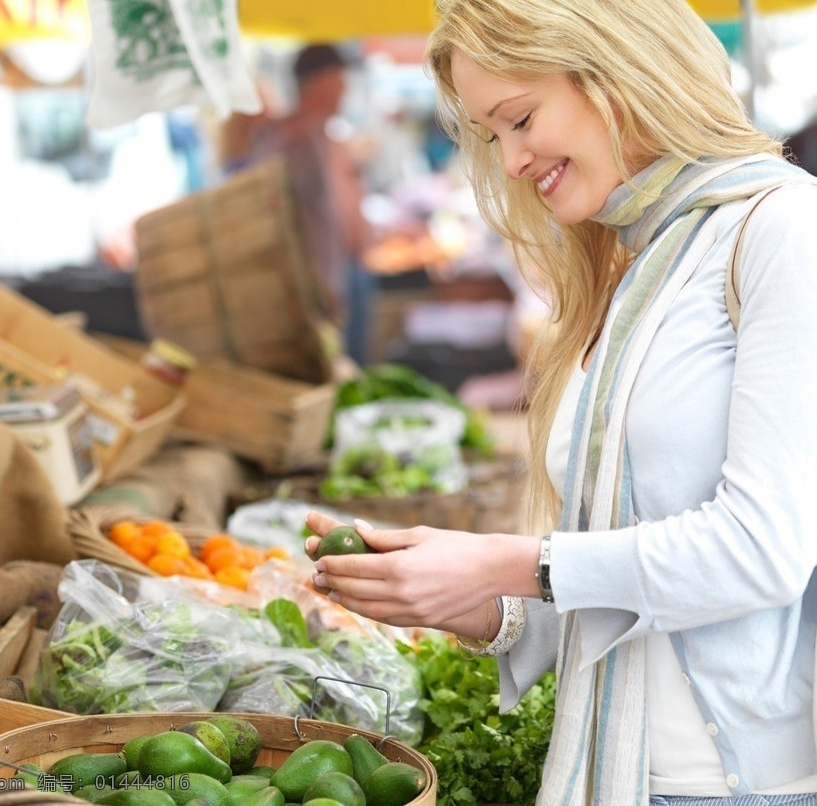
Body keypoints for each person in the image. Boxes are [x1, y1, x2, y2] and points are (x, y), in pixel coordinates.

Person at [304, 0, 817, 803]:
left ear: (614, 71)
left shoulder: (783, 228)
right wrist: (473, 601)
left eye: (519, 118)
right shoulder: (635, 265)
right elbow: (619, 580)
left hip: (737, 785)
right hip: (623, 772)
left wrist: (513, 561)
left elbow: (761, 550)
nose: (509, 162)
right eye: (491, 136)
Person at [252, 44, 375, 366]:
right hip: (317, 291)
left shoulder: (317, 135)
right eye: (341, 79)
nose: (345, 88)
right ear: (324, 81)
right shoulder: (294, 137)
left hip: (334, 280)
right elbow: (276, 217)